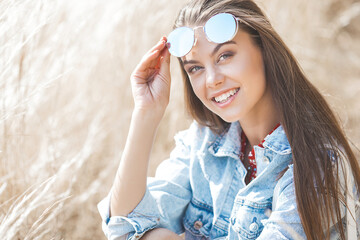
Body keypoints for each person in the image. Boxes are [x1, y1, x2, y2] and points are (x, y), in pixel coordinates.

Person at [98, 0, 360, 239]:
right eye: (195, 68)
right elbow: (123, 227)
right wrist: (146, 113)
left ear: (264, 49)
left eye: (225, 56)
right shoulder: (204, 142)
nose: (212, 80)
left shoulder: (320, 164)